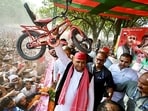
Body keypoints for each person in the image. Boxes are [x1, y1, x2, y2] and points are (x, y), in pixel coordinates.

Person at [54, 44, 94, 111]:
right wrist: (56, 43)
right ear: (73, 60)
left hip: (78, 107)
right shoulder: (69, 66)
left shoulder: (90, 76)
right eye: (78, 62)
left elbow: (91, 96)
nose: (80, 65)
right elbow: (61, 54)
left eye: (83, 62)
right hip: (62, 106)